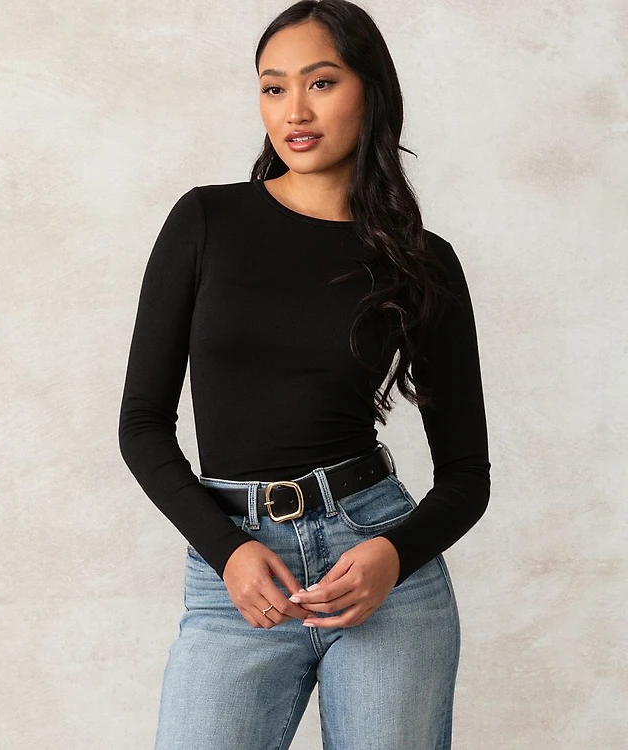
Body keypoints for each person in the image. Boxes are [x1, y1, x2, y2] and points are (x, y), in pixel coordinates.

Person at [118, 1, 490, 748]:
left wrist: (393, 557)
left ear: (370, 90)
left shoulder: (422, 261)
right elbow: (142, 424)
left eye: (321, 82)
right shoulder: (205, 221)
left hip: (376, 563)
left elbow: (466, 475)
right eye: (273, 87)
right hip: (237, 573)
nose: (294, 110)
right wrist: (226, 550)